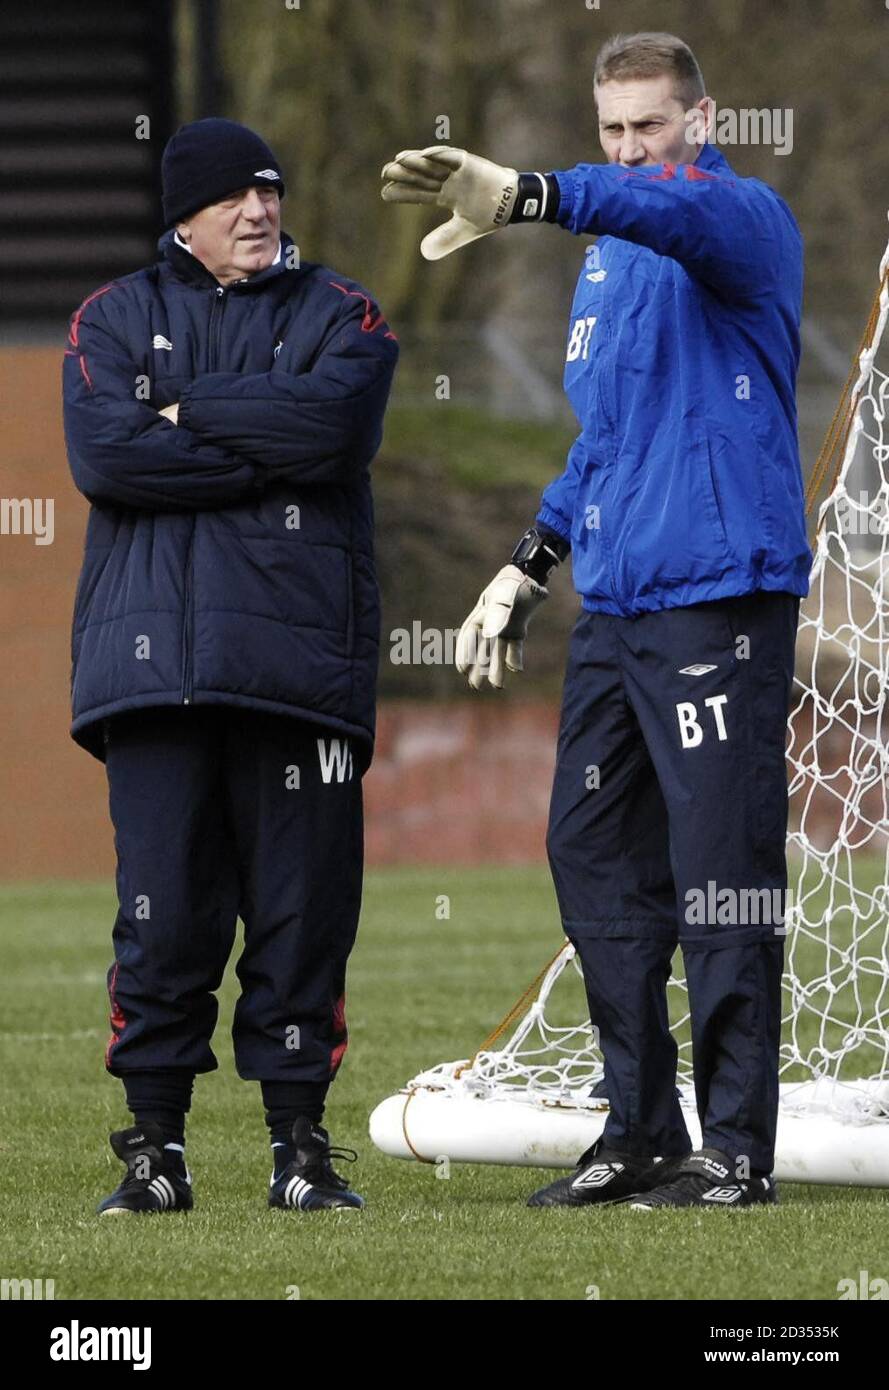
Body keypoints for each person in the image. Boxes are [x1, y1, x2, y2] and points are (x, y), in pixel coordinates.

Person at [381, 32, 811, 1210]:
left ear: (702, 120)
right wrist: (524, 565)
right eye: (611, 128)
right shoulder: (609, 267)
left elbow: (659, 210)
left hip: (718, 597)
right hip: (615, 609)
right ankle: (641, 1130)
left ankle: (735, 1150)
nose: (630, 146)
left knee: (721, 875)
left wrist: (530, 193)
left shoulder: (740, 219)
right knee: (591, 855)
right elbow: (605, 439)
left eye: (650, 125)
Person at [63, 118, 398, 1214]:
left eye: (269, 193)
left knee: (303, 918)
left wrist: (184, 410)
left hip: (298, 675)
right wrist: (259, 440)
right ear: (185, 217)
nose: (259, 213)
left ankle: (300, 1150)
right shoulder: (110, 318)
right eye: (232, 200)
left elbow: (336, 431)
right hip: (151, 680)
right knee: (162, 922)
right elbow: (105, 453)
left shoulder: (340, 311)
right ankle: (154, 1153)